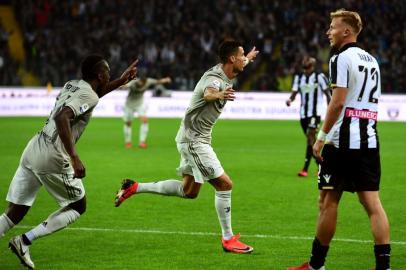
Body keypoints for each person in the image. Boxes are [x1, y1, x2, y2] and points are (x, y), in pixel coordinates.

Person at [114, 40, 259, 254]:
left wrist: (248, 57)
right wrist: (218, 95)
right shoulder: (214, 80)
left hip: (194, 137)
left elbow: (242, 62)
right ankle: (228, 239)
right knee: (224, 184)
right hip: (194, 140)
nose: (244, 60)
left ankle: (134, 187)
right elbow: (209, 93)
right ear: (231, 59)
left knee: (189, 191)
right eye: (241, 56)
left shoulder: (230, 67)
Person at [0, 55, 137, 269]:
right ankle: (24, 241)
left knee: (16, 209)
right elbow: (62, 116)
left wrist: (120, 80)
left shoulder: (72, 85)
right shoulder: (88, 95)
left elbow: (93, 95)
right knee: (78, 206)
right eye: (108, 72)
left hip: (34, 146)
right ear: (100, 75)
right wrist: (74, 157)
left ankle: (20, 239)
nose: (109, 74)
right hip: (53, 155)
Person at [288, 9, 390, 270]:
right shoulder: (373, 61)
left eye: (332, 27)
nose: (328, 32)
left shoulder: (340, 58)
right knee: (373, 204)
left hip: (342, 142)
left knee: (328, 201)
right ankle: (383, 267)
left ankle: (316, 266)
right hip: (369, 139)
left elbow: (338, 102)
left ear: (347, 31)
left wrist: (320, 138)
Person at [286, 56, 331, 177]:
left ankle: (305, 169)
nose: (305, 70)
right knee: (311, 141)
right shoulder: (298, 78)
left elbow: (328, 94)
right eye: (304, 68)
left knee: (310, 138)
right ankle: (322, 166)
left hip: (315, 113)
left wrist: (330, 109)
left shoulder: (319, 77)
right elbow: (294, 93)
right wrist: (290, 100)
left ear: (312, 66)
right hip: (303, 114)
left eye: (307, 67)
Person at [122, 74, 172, 149]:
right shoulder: (133, 82)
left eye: (142, 84)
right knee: (128, 123)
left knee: (144, 120)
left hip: (140, 104)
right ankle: (128, 142)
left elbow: (158, 82)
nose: (141, 85)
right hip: (129, 104)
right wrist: (123, 84)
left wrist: (166, 79)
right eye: (140, 84)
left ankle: (142, 142)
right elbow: (124, 86)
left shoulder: (148, 81)